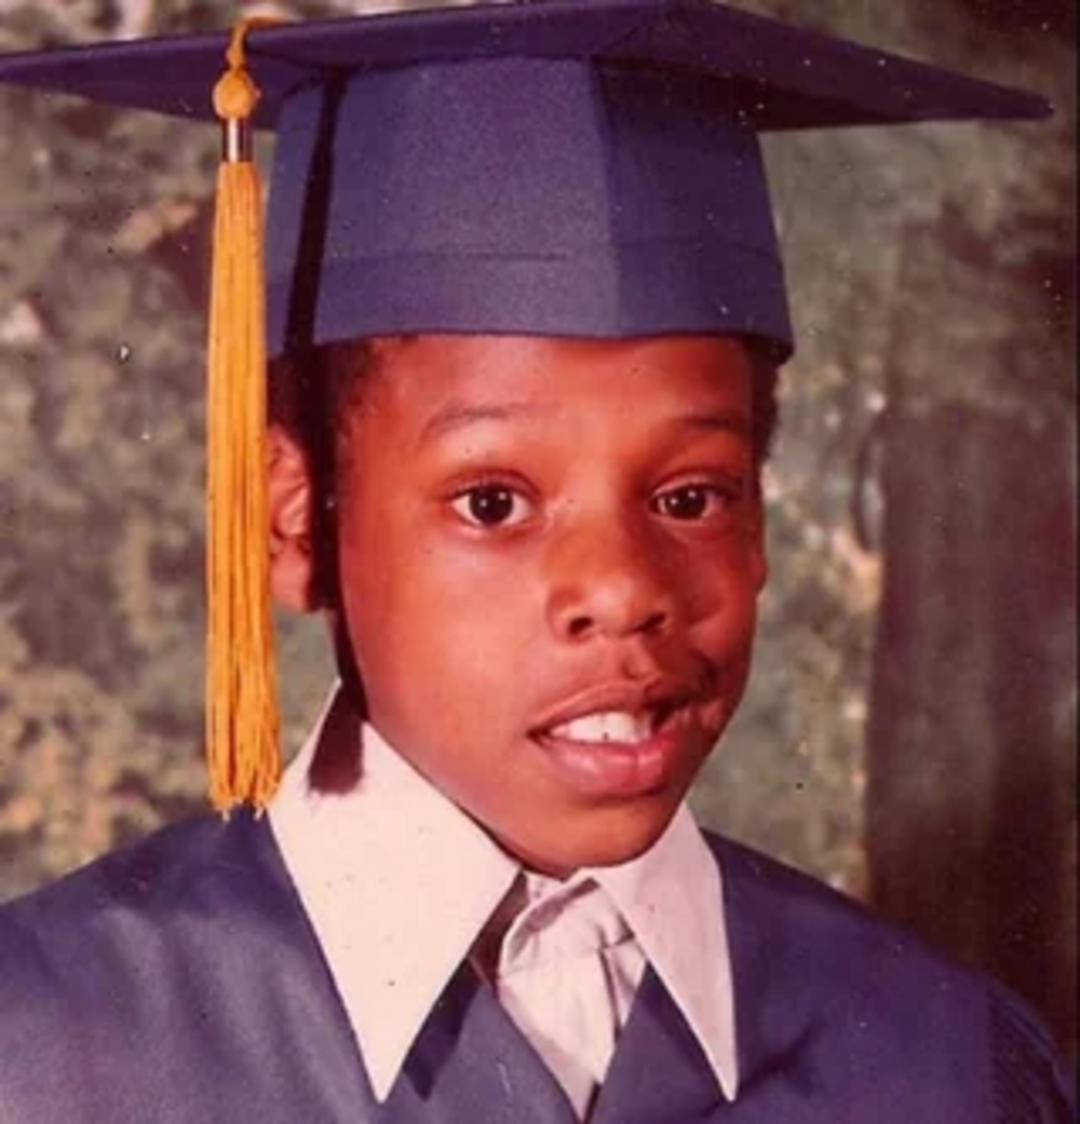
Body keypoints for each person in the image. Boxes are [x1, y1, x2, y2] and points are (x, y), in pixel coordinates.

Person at [0, 2, 1071, 1121]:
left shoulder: (948, 1059)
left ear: (758, 525)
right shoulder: (40, 1044)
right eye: (493, 500)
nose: (621, 590)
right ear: (300, 520)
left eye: (691, 496)